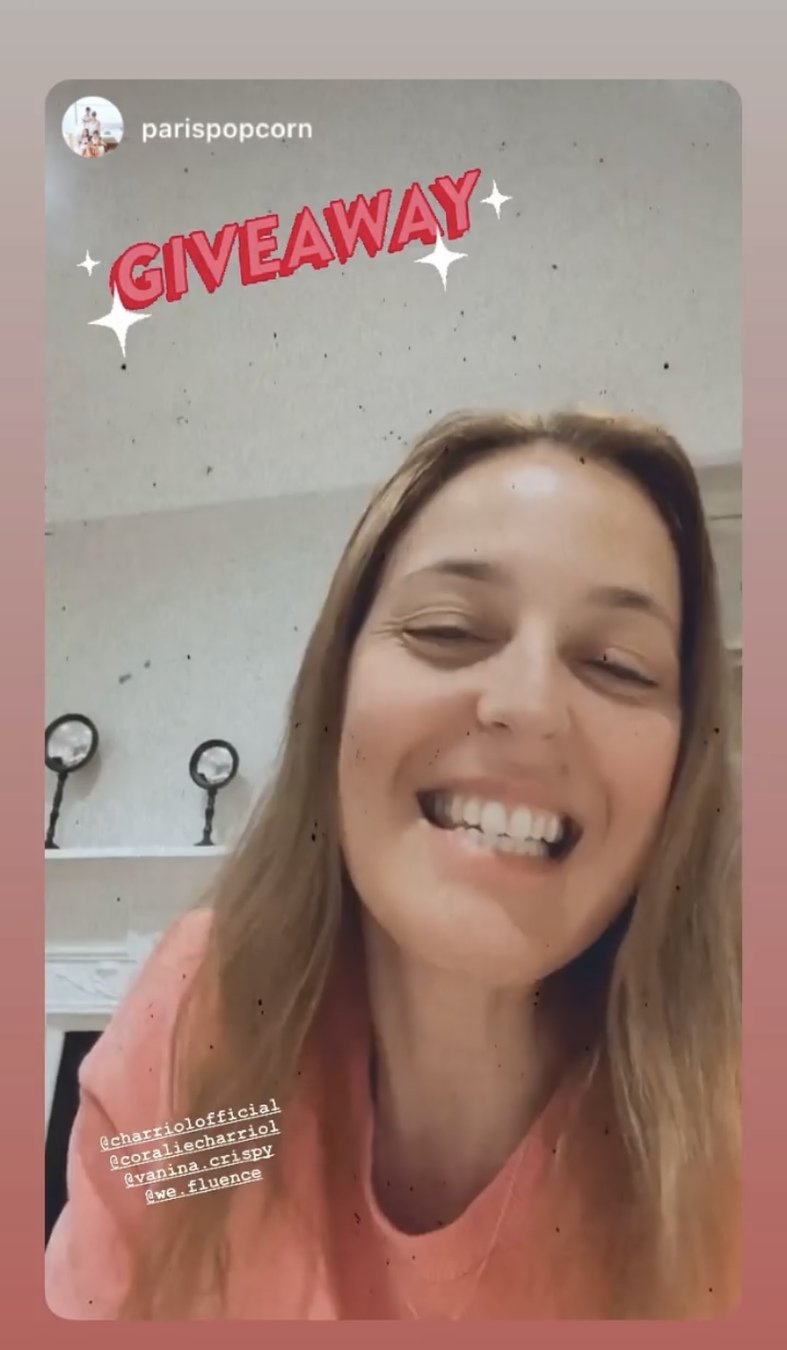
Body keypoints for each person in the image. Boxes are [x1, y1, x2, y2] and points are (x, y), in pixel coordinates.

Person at [44, 408, 741, 1320]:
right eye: (448, 629)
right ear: (335, 697)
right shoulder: (203, 1014)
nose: (527, 705)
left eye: (616, 665)